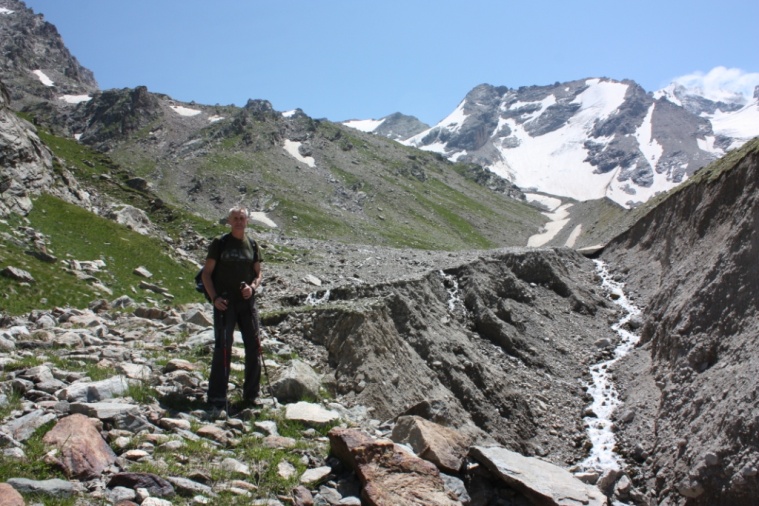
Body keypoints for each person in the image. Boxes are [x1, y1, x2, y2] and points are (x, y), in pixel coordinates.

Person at [201, 206, 263, 413]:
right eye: (235, 218)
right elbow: (206, 274)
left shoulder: (252, 245)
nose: (238, 221)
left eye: (242, 218)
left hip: (247, 303)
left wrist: (252, 288)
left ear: (247, 221)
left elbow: (258, 274)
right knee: (223, 347)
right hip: (224, 302)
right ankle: (217, 396)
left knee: (254, 346)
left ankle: (252, 394)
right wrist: (215, 298)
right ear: (229, 220)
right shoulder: (220, 243)